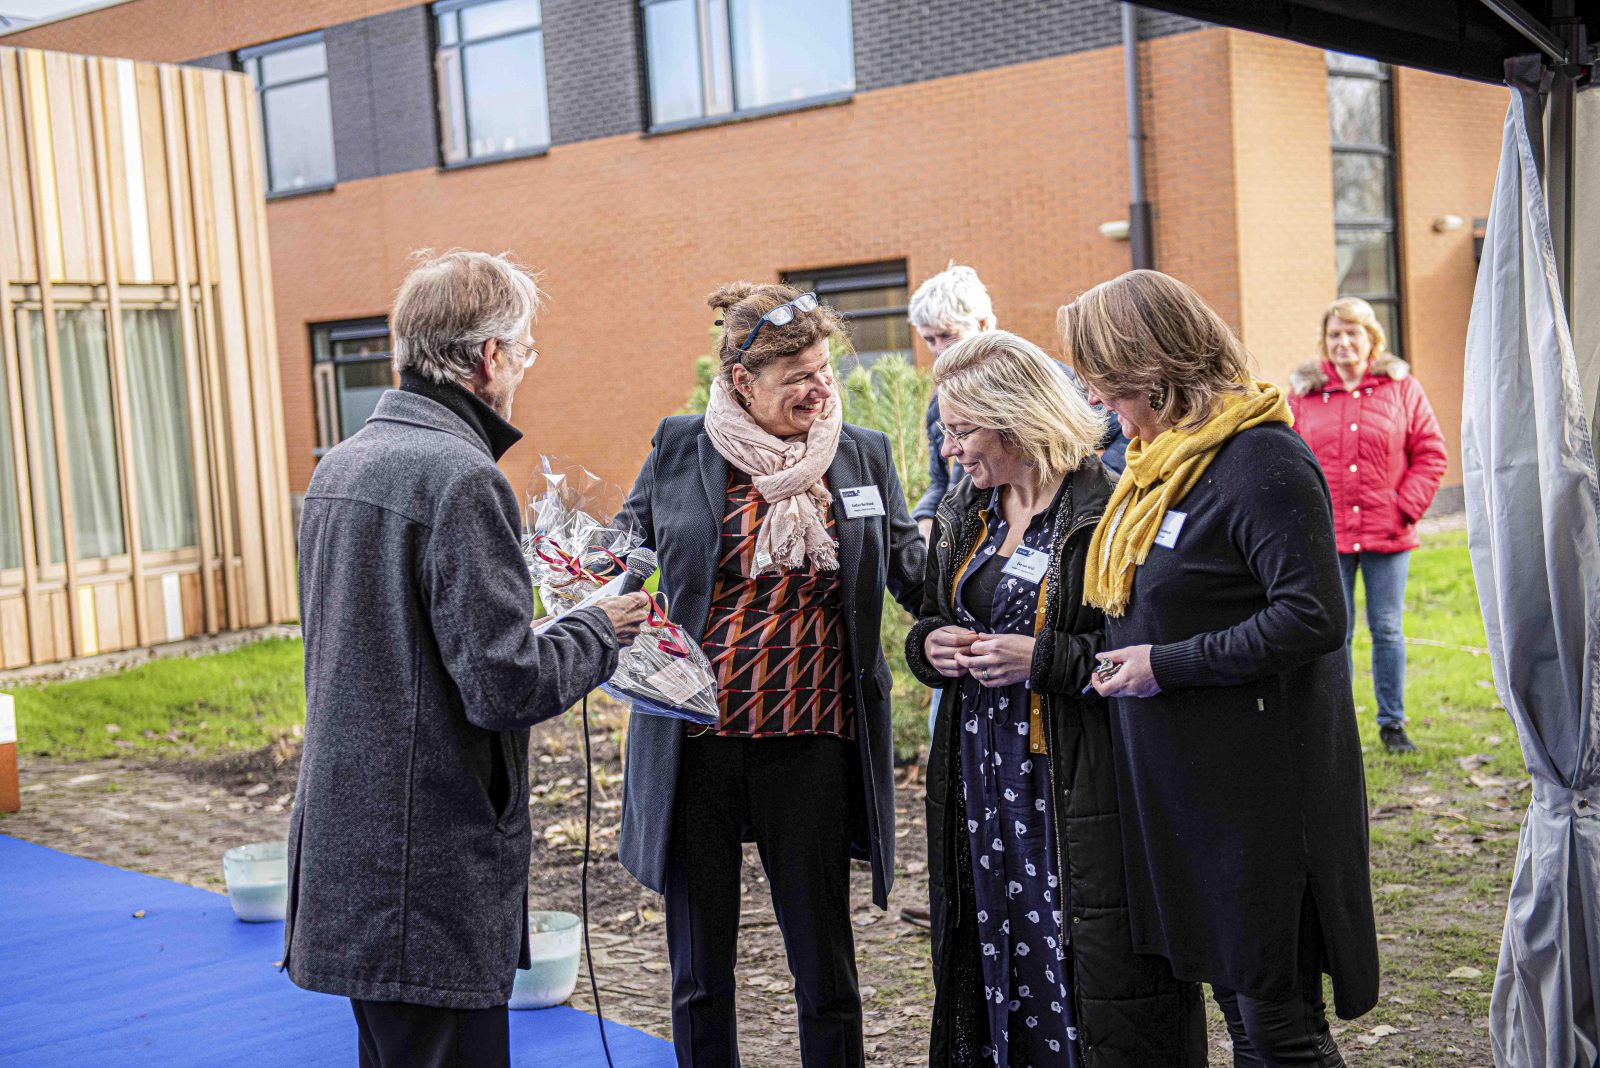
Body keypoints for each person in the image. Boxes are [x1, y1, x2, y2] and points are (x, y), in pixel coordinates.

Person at [284, 250, 651, 1067]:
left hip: (354, 854)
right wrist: (597, 627)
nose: (524, 368)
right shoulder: (459, 477)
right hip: (427, 872)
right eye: (524, 350)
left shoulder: (339, 466)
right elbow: (502, 684)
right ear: (489, 358)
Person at [1063, 270, 1380, 1067]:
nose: (1101, 405)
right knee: (1242, 1019)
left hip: (1260, 802)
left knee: (1280, 1030)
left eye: (1107, 386)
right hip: (1193, 790)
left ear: (1154, 371)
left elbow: (1313, 616)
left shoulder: (1260, 458)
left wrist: (1163, 664)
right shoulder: (1164, 463)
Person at [615, 282, 925, 1067]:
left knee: (826, 968)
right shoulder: (681, 447)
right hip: (698, 746)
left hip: (812, 746)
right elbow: (624, 550)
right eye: (798, 380)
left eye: (825, 371)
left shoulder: (861, 454)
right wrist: (586, 582)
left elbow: (914, 573)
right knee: (700, 973)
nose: (821, 391)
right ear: (742, 384)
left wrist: (994, 578)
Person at [902, 330, 1205, 1066]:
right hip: (979, 776)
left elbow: (1144, 664)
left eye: (962, 430)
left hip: (1072, 780)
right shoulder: (967, 509)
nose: (949, 450)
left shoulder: (1105, 511)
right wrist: (931, 648)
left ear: (1017, 419)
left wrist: (1047, 660)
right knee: (990, 943)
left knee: (1077, 958)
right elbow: (940, 615)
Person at [1289, 297, 1447, 754]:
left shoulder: (1401, 388)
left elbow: (1431, 453)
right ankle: (1335, 726)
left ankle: (1392, 725)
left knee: (1387, 629)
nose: (1343, 343)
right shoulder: (1303, 394)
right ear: (1326, 342)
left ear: (1371, 338)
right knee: (1334, 633)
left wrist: (1404, 508)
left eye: (1352, 333)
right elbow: (1289, 460)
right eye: (1335, 334)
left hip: (1388, 533)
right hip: (1328, 535)